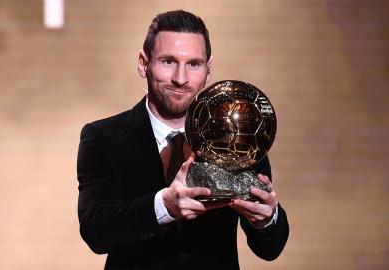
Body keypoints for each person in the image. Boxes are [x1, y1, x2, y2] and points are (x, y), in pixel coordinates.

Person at [77, 10, 289, 270]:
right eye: (168, 61)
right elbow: (96, 231)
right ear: (144, 63)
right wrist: (164, 205)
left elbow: (270, 249)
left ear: (208, 69)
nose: (180, 78)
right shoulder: (102, 137)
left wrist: (267, 220)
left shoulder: (239, 137)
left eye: (193, 64)